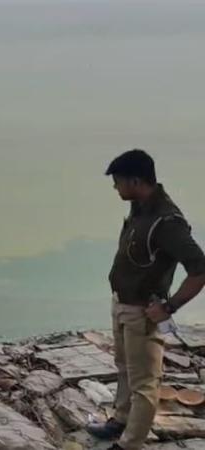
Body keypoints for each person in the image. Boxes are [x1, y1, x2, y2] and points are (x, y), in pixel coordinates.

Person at [86, 149, 205, 449]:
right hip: (122, 304)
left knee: (144, 383)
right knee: (124, 367)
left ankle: (130, 444)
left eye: (118, 181)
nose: (115, 187)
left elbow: (200, 269)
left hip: (143, 312)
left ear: (136, 181)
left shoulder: (167, 222)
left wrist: (169, 307)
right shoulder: (140, 208)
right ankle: (120, 420)